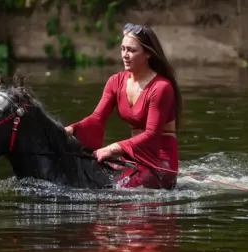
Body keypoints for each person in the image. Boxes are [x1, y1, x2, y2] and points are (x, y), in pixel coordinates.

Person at [65, 23, 183, 190]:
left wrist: (112, 149)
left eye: (131, 50)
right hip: (132, 156)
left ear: (148, 53)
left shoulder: (161, 87)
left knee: (116, 191)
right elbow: (97, 118)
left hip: (159, 161)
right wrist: (72, 130)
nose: (125, 55)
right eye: (123, 49)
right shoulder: (116, 81)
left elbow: (151, 135)